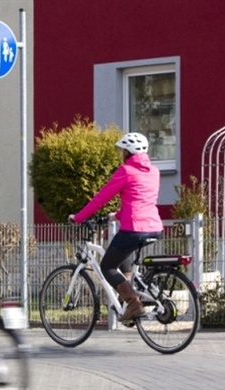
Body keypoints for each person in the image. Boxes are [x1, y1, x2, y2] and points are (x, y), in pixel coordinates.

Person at [68, 132, 163, 322]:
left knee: (108, 266)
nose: (121, 154)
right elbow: (141, 200)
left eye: (122, 151)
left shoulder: (126, 170)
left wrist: (79, 217)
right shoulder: (154, 171)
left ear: (128, 152)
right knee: (123, 259)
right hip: (154, 227)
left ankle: (132, 301)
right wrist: (115, 216)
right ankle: (125, 298)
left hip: (134, 228)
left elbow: (101, 199)